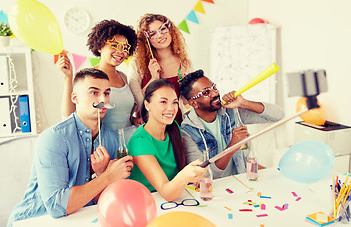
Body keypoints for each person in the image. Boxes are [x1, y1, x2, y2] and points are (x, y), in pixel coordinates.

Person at [7, 68, 133, 227]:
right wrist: (107, 177)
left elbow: (113, 197)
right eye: (94, 93)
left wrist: (102, 174)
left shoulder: (113, 140)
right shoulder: (54, 138)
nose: (103, 99)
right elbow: (57, 206)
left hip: (82, 218)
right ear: (75, 98)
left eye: (107, 93)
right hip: (35, 220)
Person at [179, 69, 284, 179]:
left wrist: (244, 103)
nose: (215, 93)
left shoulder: (230, 111)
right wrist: (232, 146)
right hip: (215, 189)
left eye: (214, 87)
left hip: (241, 179)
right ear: (193, 103)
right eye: (206, 93)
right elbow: (204, 176)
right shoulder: (188, 131)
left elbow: (278, 115)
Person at [127, 79, 206, 201]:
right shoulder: (139, 142)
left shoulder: (174, 128)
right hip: (147, 201)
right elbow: (166, 193)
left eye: (174, 102)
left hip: (177, 195)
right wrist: (186, 175)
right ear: (147, 105)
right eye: (163, 102)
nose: (171, 108)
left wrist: (194, 176)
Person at [57, 19, 140, 136]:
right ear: (100, 46)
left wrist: (134, 120)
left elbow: (123, 114)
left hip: (130, 139)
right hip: (104, 143)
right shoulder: (88, 77)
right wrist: (68, 77)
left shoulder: (123, 77)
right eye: (114, 45)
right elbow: (68, 115)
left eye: (125, 47)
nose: (120, 52)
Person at [128, 13, 192, 124]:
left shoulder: (184, 63)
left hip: (177, 123)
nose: (160, 35)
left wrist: (187, 88)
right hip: (149, 124)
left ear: (170, 30)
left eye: (163, 29)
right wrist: (153, 78)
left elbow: (187, 103)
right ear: (146, 39)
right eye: (152, 33)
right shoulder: (137, 64)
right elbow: (136, 101)